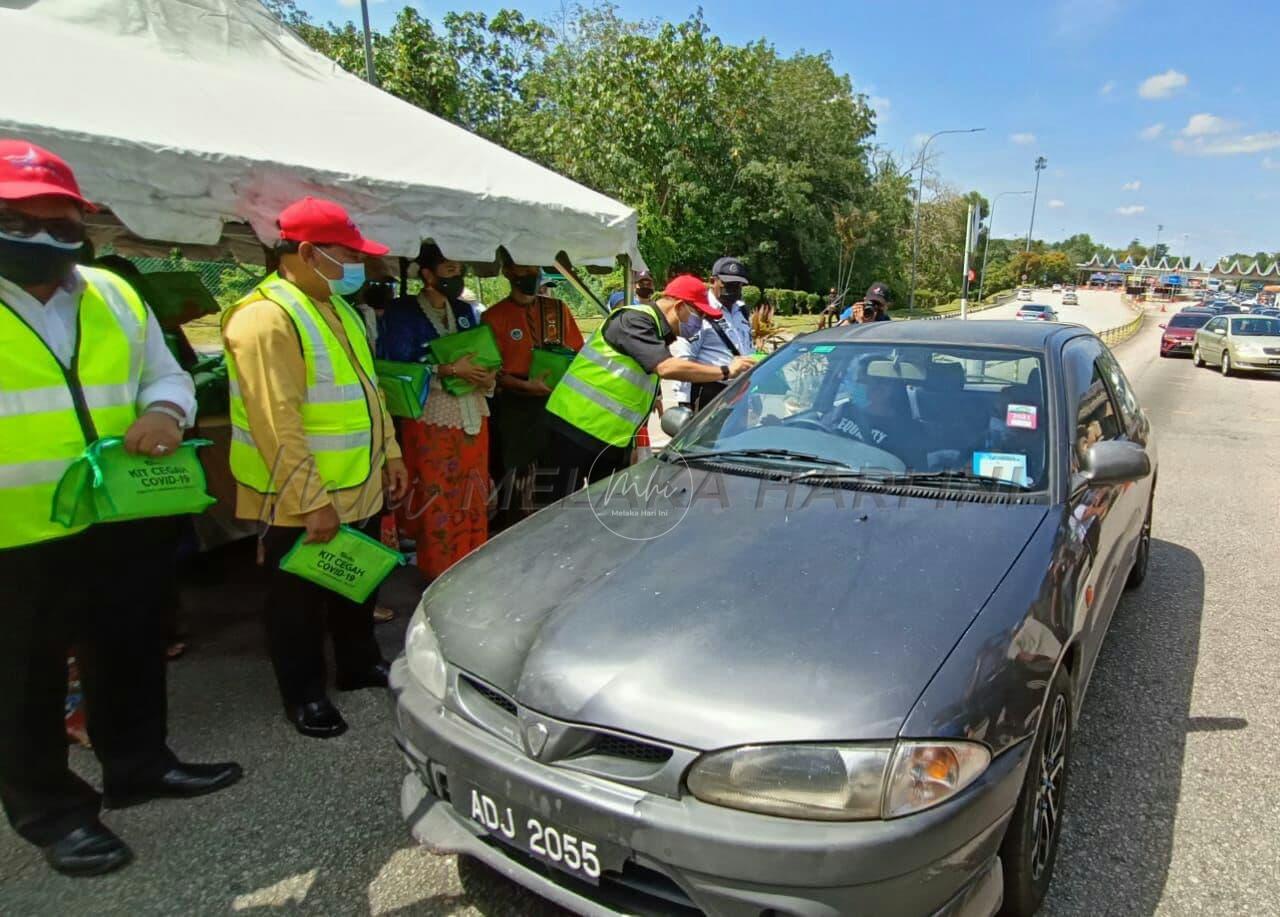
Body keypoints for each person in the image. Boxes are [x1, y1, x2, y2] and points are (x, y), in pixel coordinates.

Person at [0, 140, 241, 877]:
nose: (44, 237)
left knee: (130, 646)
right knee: (24, 676)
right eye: (22, 219)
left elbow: (167, 376)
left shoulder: (112, 292)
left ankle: (139, 765)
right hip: (17, 531)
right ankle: (52, 812)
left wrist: (167, 413)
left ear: (85, 224)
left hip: (122, 512)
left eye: (61, 223)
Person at [220, 196, 409, 740]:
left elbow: (369, 391)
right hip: (300, 497)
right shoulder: (266, 317)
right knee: (296, 603)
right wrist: (309, 499)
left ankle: (356, 664)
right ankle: (303, 695)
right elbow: (275, 421)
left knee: (357, 583)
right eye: (347, 254)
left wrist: (390, 453)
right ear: (306, 251)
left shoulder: (338, 305)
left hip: (359, 479)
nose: (359, 266)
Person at [546, 275, 755, 498]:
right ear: (680, 306)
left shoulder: (656, 331)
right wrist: (726, 371)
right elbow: (665, 367)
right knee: (554, 511)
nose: (701, 322)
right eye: (700, 315)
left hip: (609, 440)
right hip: (572, 428)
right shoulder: (633, 320)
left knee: (602, 511)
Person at [378, 244, 495, 579]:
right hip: (431, 414)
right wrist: (447, 370)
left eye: (459, 269)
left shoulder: (465, 310)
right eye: (448, 269)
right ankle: (440, 567)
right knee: (437, 492)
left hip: (472, 410)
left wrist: (486, 373)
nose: (455, 276)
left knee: (472, 490)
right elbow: (397, 363)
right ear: (427, 274)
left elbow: (480, 351)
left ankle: (472, 561)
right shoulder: (403, 312)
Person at [482, 258, 584, 522]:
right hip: (516, 408)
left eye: (535, 268)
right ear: (508, 272)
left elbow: (578, 353)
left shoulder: (557, 309)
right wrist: (524, 386)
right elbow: (492, 371)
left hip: (558, 403)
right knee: (517, 475)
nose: (532, 274)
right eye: (524, 269)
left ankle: (558, 526)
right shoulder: (493, 317)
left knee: (559, 471)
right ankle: (517, 531)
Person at [672, 256, 754, 411]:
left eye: (738, 284)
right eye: (727, 283)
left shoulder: (741, 310)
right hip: (710, 392)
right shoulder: (699, 310)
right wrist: (684, 403)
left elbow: (747, 345)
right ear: (712, 281)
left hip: (740, 391)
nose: (733, 288)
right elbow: (686, 359)